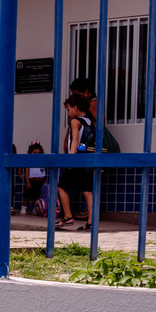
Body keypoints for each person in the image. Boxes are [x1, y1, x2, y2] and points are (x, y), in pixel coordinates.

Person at [56, 94, 95, 229]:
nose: (68, 113)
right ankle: (91, 220)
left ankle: (68, 216)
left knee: (61, 186)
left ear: (75, 108)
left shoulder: (75, 121)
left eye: (68, 110)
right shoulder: (90, 122)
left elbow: (75, 140)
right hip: (87, 160)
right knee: (87, 190)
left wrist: (71, 159)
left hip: (76, 159)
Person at [20, 142, 46, 215]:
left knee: (38, 196)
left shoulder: (42, 162)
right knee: (28, 195)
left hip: (40, 181)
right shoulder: (29, 162)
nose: (37, 154)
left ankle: (35, 208)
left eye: (39, 153)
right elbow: (27, 173)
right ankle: (24, 207)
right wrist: (28, 182)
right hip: (32, 181)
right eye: (35, 153)